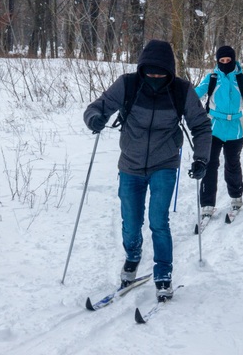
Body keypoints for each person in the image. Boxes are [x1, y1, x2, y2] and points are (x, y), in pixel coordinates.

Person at [83, 39, 211, 302]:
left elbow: (201, 126)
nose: (154, 76)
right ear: (141, 68)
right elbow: (97, 106)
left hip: (164, 163)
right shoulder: (128, 84)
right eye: (149, 71)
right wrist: (94, 118)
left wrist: (201, 159)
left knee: (158, 221)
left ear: (169, 71)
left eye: (160, 72)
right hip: (130, 163)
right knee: (130, 222)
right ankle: (132, 257)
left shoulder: (181, 90)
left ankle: (163, 275)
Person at [194, 45, 243, 219]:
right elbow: (196, 93)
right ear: (218, 61)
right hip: (214, 127)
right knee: (210, 164)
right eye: (222, 61)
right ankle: (207, 203)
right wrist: (184, 102)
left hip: (236, 128)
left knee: (232, 163)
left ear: (233, 60)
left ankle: (236, 197)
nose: (225, 63)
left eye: (228, 60)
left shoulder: (241, 78)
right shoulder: (212, 78)